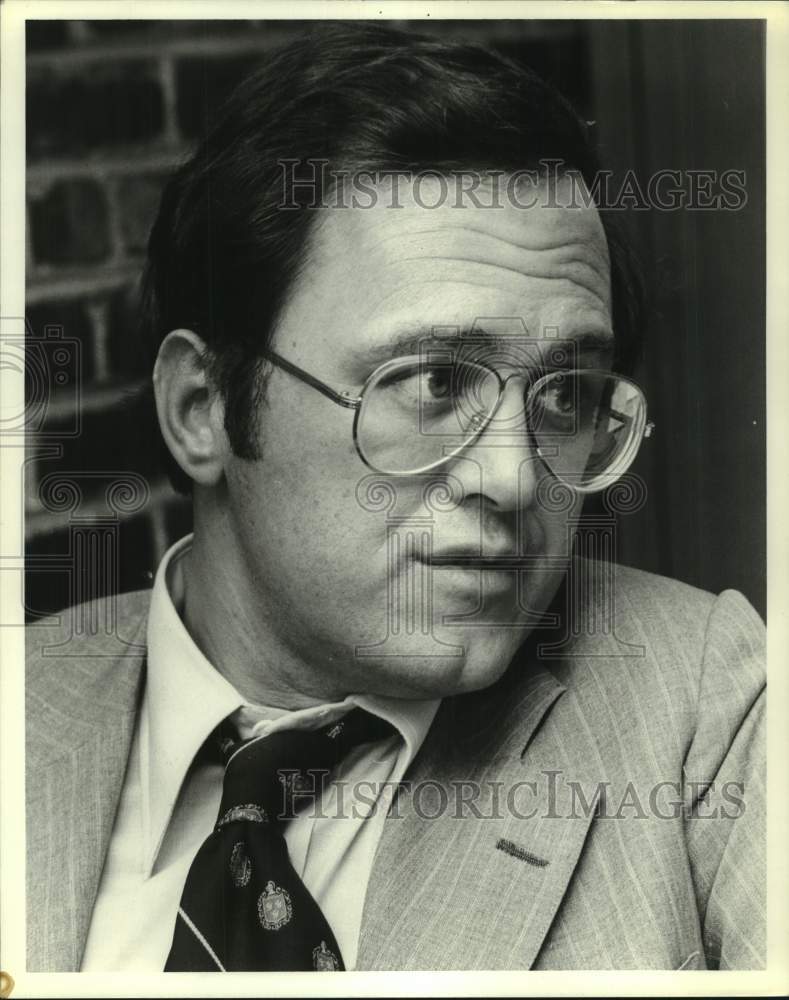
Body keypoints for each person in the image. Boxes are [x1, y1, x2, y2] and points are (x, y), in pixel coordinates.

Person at [25, 23, 765, 972]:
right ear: (202, 409)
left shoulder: (709, 714)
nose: (514, 479)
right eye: (432, 384)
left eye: (565, 395)